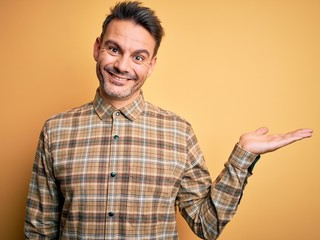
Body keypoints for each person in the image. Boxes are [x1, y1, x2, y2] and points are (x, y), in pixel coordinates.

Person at [24, 1, 313, 240]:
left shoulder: (179, 132)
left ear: (151, 65)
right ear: (97, 48)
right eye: (114, 49)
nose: (122, 66)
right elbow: (39, 231)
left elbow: (207, 225)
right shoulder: (55, 131)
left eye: (139, 57)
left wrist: (243, 157)